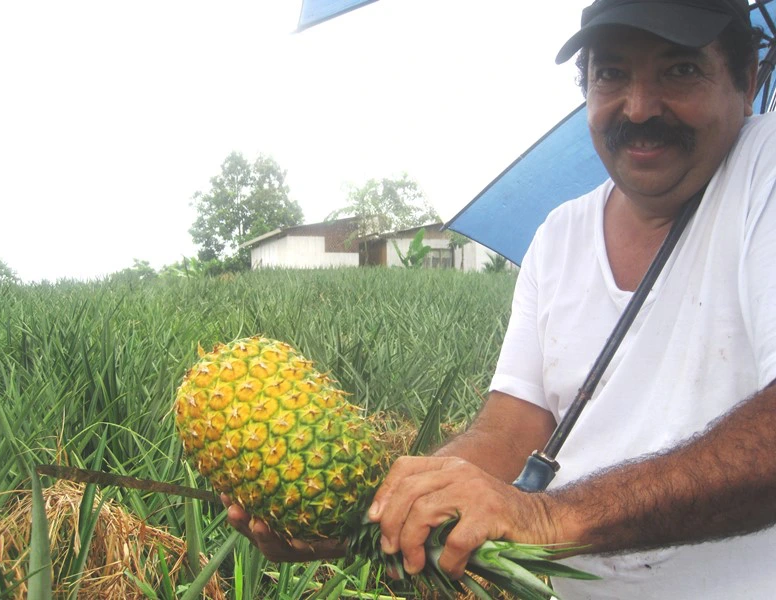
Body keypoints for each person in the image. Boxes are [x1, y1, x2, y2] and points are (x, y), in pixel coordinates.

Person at [224, 0, 776, 597]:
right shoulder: (560, 236)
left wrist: (546, 516)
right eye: (611, 74)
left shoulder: (763, 173)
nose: (638, 107)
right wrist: (382, 512)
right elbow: (511, 431)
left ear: (746, 80)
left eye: (680, 71)